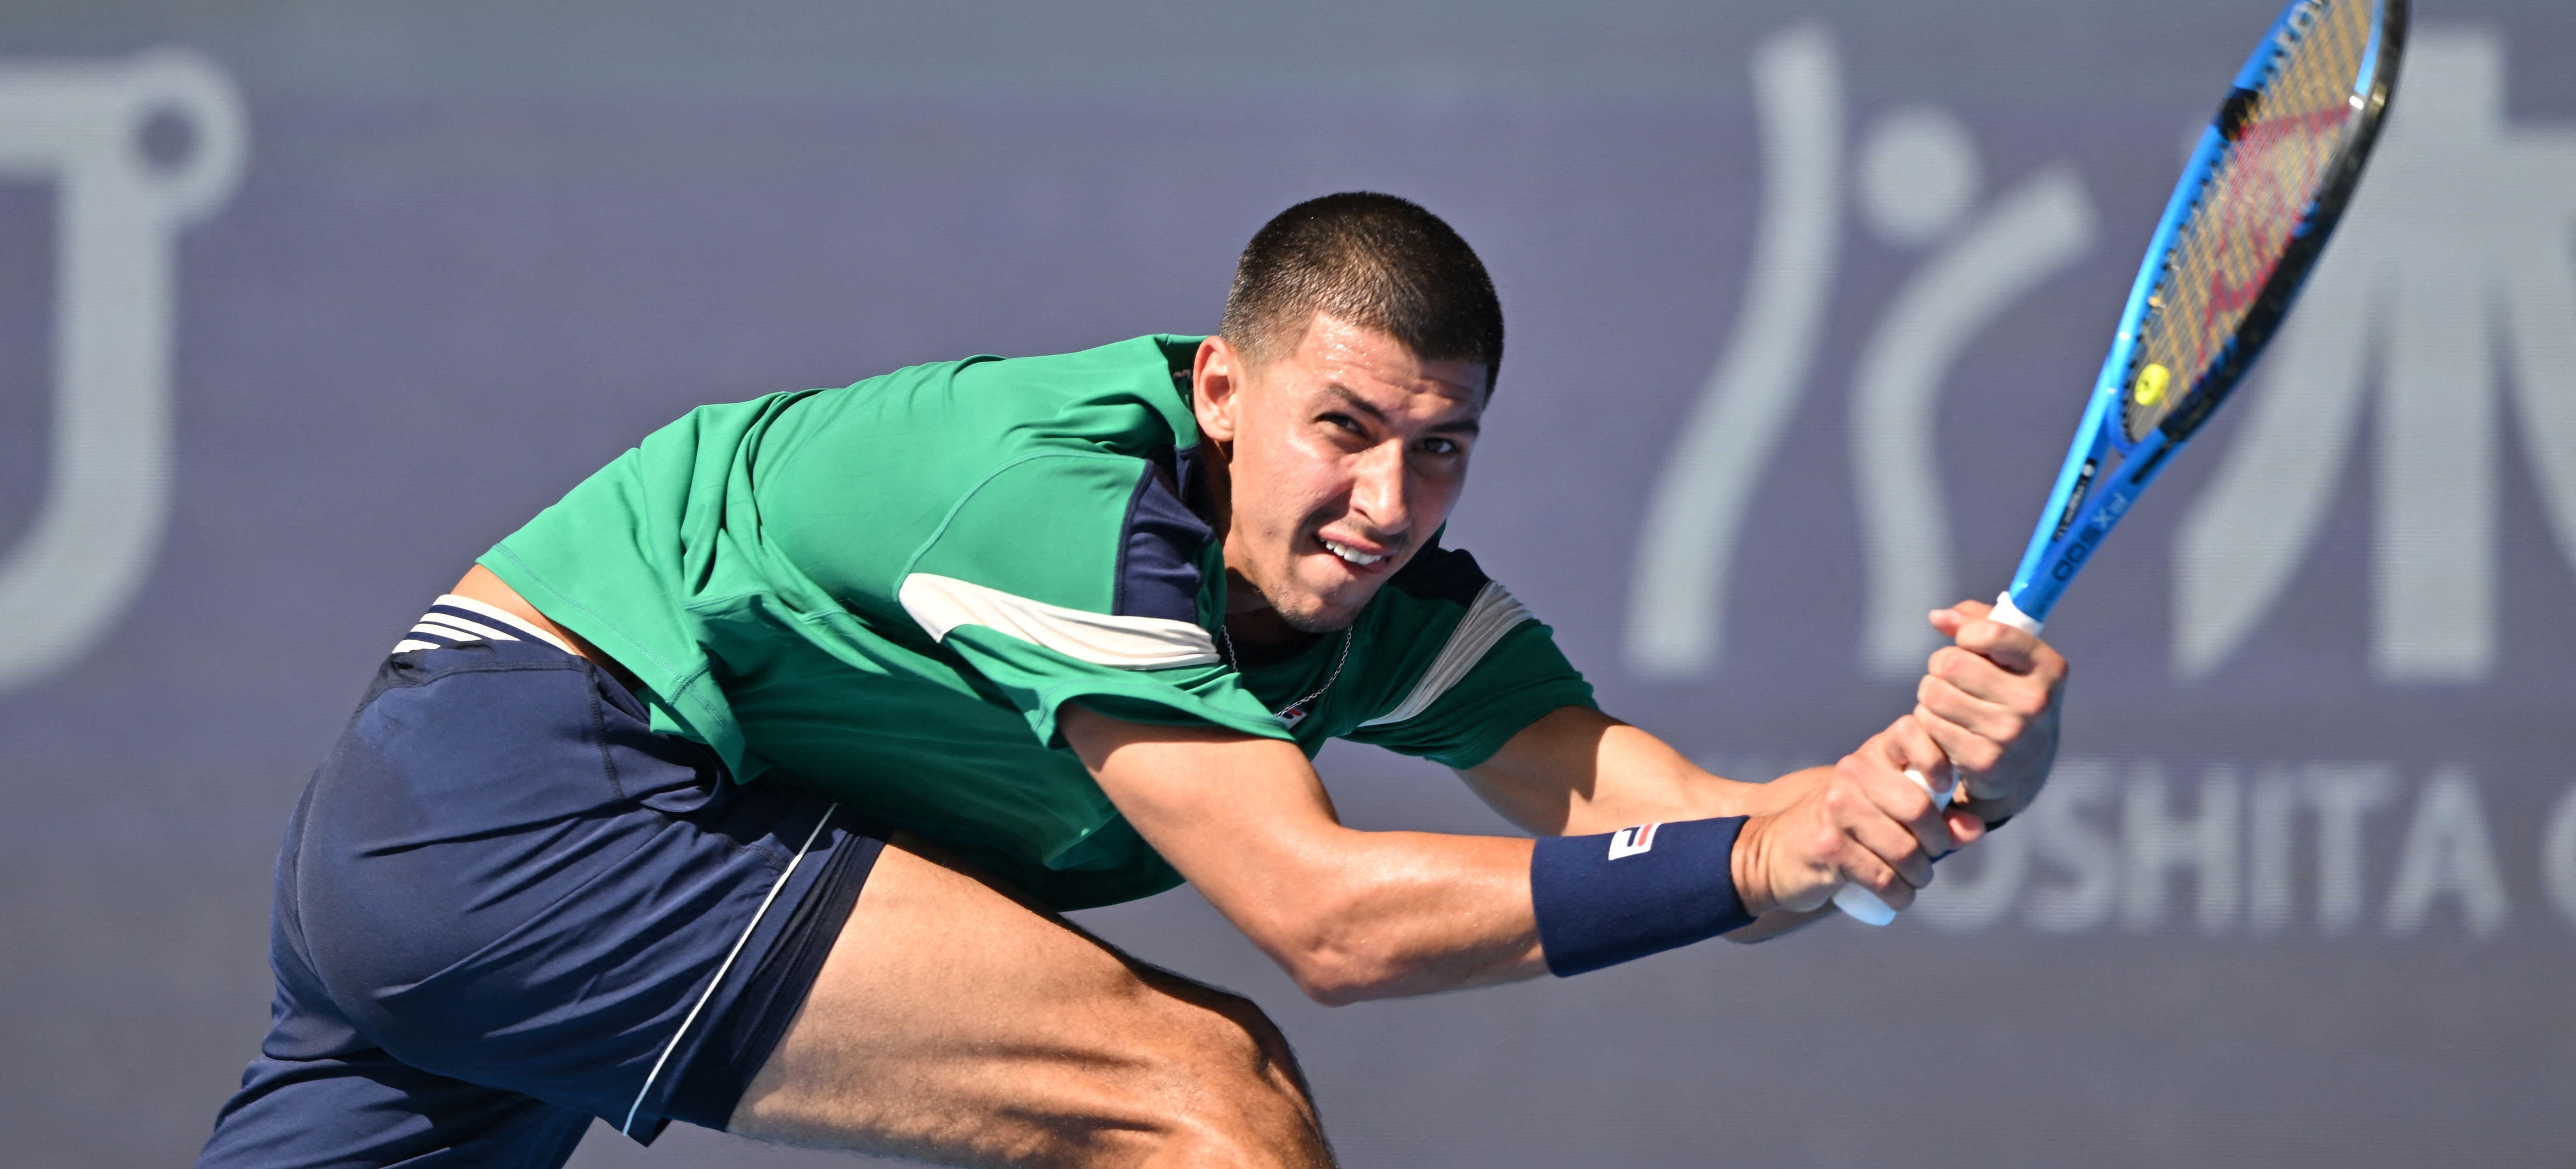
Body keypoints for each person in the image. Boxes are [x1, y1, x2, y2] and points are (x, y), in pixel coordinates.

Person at [200, 191, 2067, 1168]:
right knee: (1200, 1092)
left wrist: (1923, 781)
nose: (1386, 501)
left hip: (447, 845)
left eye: (1443, 451)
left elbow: (1688, 836)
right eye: (1345, 429)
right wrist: (1773, 855)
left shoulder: (1392, 601)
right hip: (550, 790)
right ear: (1223, 390)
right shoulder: (1064, 508)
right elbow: (1323, 923)